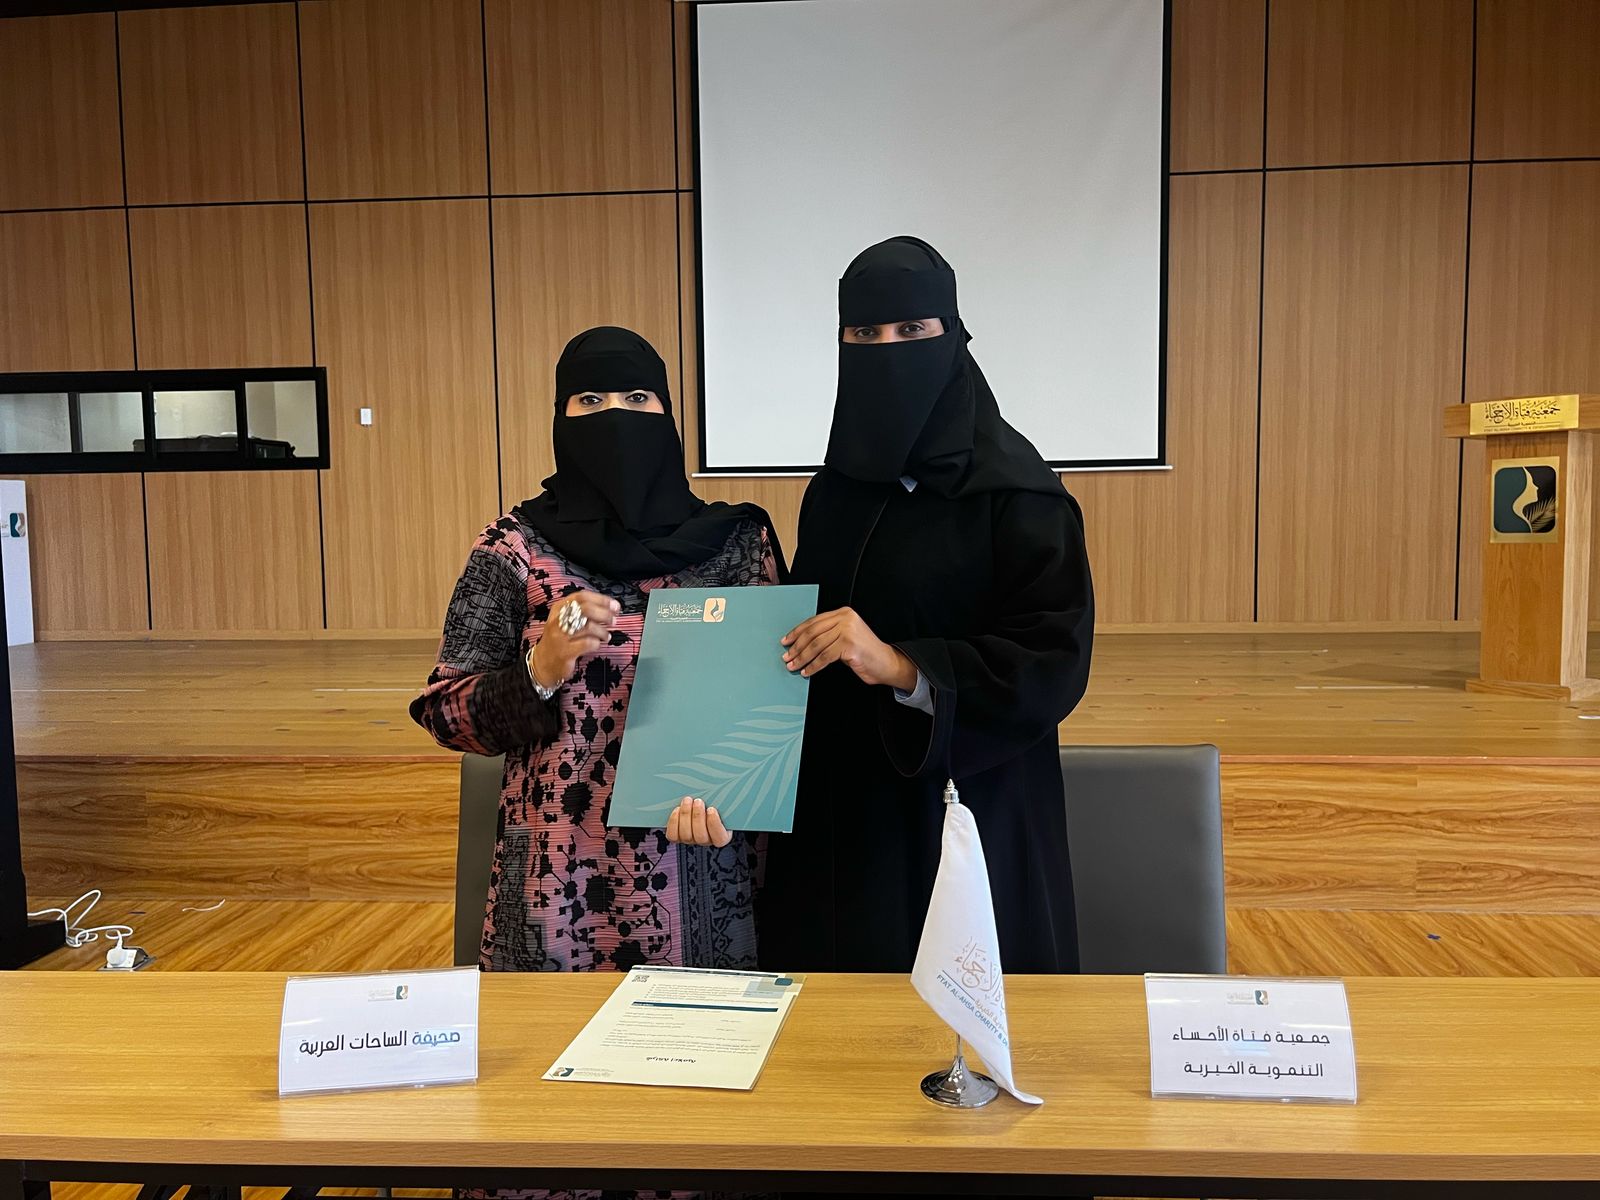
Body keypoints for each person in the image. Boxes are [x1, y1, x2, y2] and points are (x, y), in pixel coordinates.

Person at [756, 236, 1095, 975]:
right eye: (864, 333)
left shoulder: (1020, 497)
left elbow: (1052, 660)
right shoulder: (835, 492)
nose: (887, 350)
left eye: (911, 330)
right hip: (844, 819)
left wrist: (906, 667)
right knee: (840, 1019)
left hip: (969, 804)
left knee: (957, 1009)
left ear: (952, 335)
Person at [411, 326, 783, 980]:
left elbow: (773, 710)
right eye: (590, 400)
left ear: (668, 413)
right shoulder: (514, 548)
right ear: (561, 417)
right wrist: (540, 668)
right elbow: (445, 714)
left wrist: (744, 801)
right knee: (546, 1045)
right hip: (556, 879)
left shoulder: (737, 544)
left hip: (700, 867)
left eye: (637, 398)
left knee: (701, 1038)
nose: (615, 416)